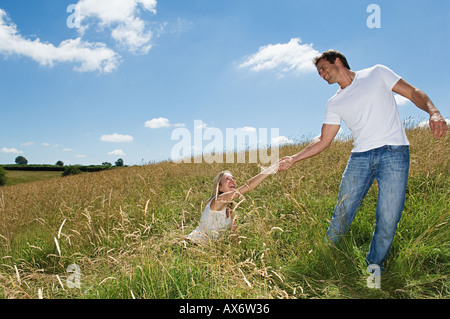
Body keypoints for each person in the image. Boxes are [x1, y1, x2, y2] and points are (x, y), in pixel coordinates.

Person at [278, 50, 447, 270]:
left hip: (394, 154)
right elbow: (323, 140)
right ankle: (326, 261)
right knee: (342, 212)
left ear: (337, 61)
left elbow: (413, 92)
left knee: (388, 217)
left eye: (323, 68)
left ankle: (374, 266)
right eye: (318, 71)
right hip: (359, 158)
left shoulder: (377, 73)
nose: (321, 74)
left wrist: (433, 112)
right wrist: (294, 157)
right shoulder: (334, 102)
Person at [187, 164, 278, 245]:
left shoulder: (229, 208)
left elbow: (233, 232)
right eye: (227, 179)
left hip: (208, 250)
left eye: (233, 179)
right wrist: (272, 168)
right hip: (192, 245)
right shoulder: (218, 200)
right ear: (220, 187)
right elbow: (248, 186)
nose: (233, 181)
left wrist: (238, 251)